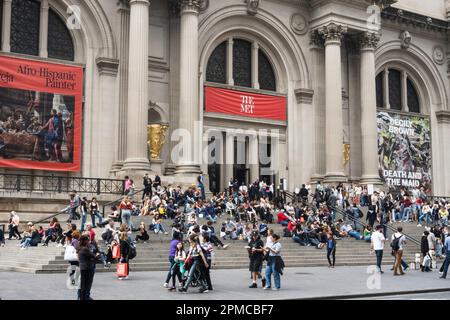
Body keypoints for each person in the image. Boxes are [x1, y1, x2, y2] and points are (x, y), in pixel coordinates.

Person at [77, 235, 96, 300]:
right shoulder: (85, 249)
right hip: (87, 268)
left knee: (83, 284)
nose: (88, 241)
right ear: (85, 241)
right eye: (87, 240)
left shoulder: (80, 247)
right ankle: (85, 297)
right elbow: (94, 256)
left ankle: (83, 297)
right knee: (86, 284)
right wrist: (95, 256)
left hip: (83, 268)